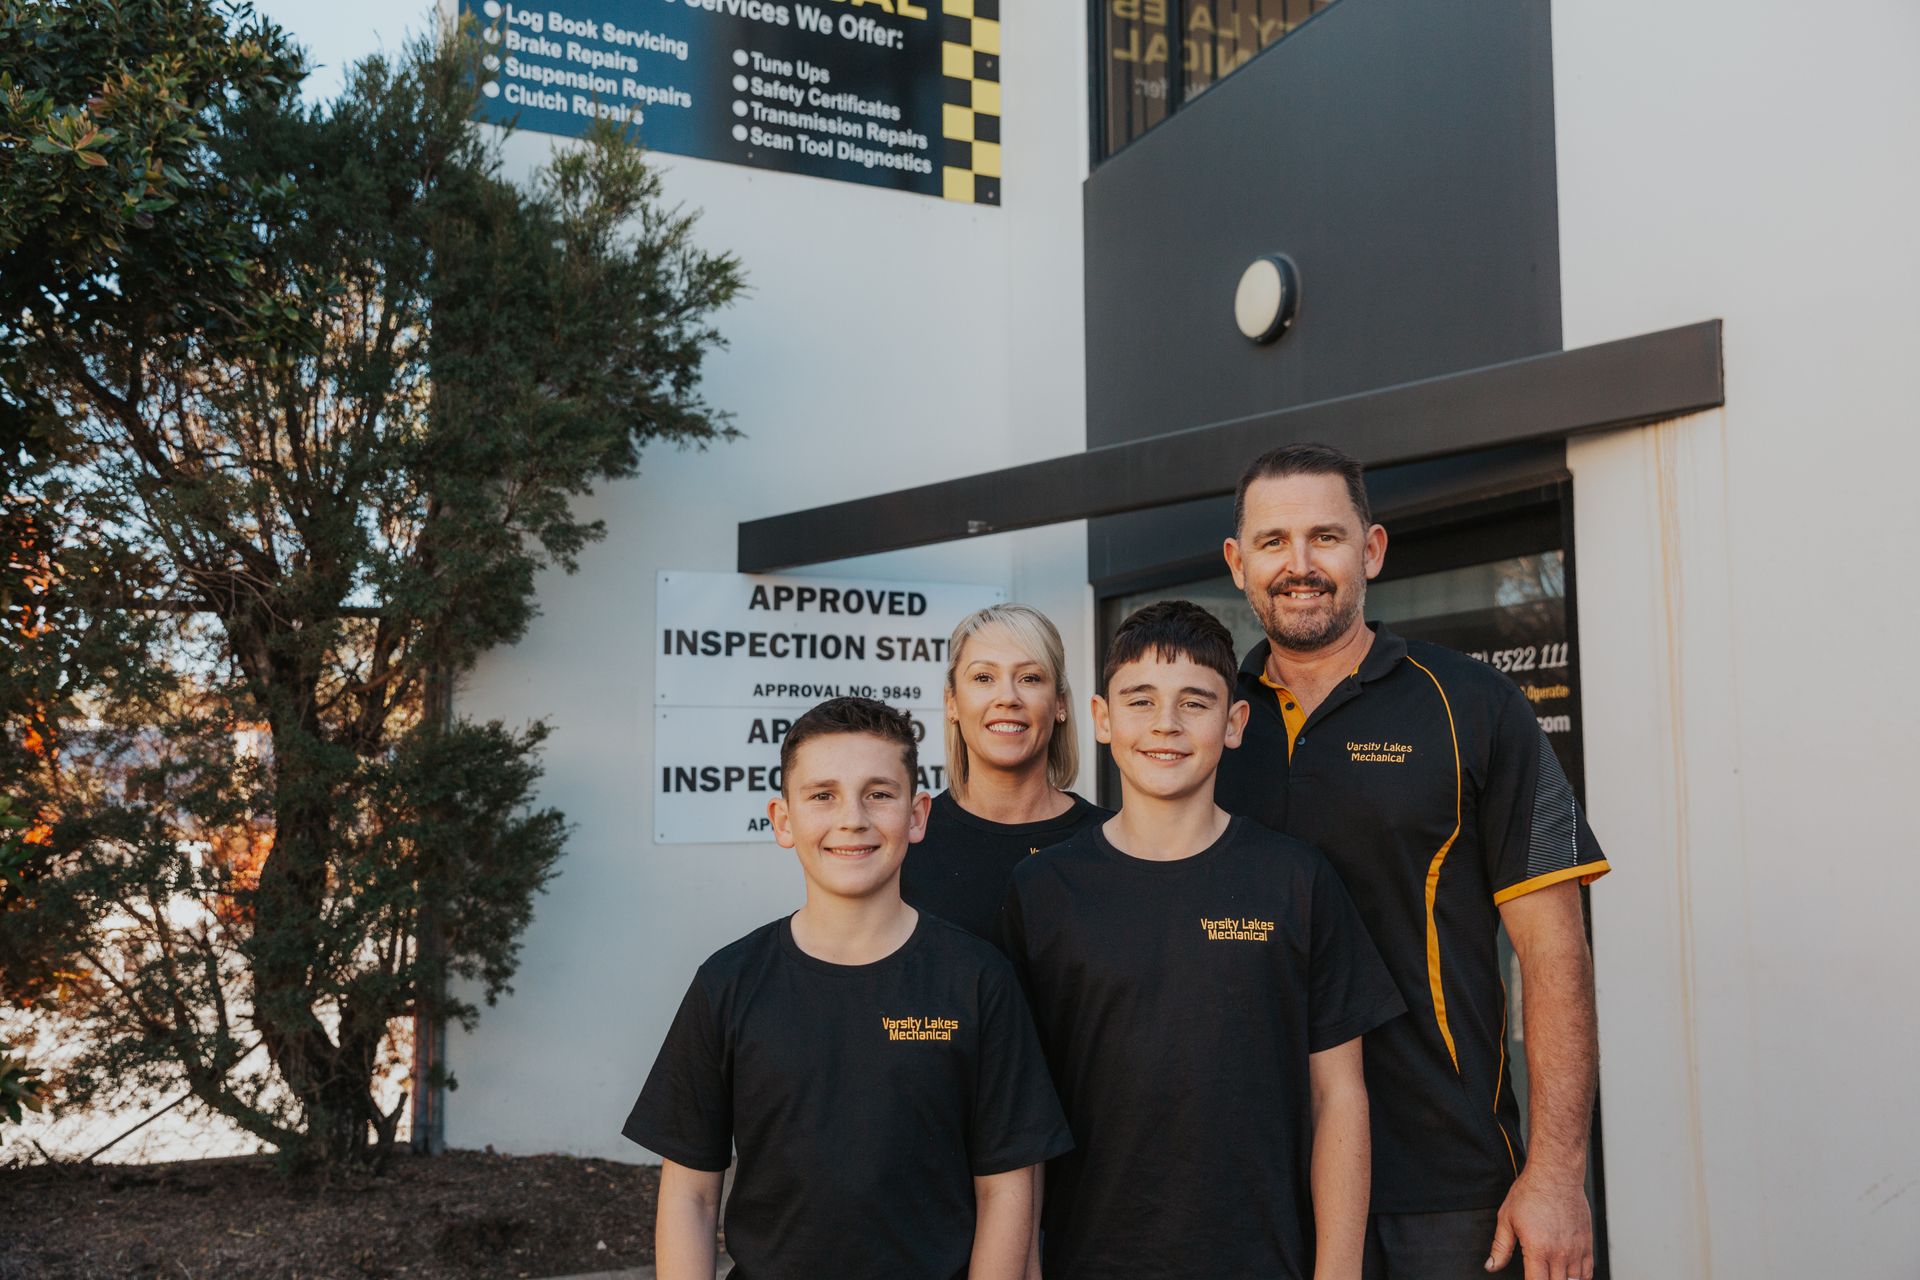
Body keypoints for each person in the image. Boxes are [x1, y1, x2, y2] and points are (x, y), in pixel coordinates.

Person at [1214, 443, 1613, 1280]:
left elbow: (1555, 953)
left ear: (1372, 550)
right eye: (1274, 541)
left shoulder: (1476, 704)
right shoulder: (1205, 728)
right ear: (1238, 562)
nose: (1299, 565)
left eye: (1325, 537)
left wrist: (1556, 1173)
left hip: (1445, 1183)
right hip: (1254, 1180)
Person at [996, 600, 1405, 1280]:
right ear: (1102, 719)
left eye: (1195, 701)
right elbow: (1017, 1114)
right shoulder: (1043, 891)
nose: (1166, 724)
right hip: (1089, 1260)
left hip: (1265, 1261)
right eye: (1141, 700)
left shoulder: (1295, 881)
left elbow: (1339, 1096)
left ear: (1234, 722)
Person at [624, 696, 1073, 1280]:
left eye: (879, 793)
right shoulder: (728, 984)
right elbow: (690, 1196)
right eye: (822, 795)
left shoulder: (979, 981)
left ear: (917, 816)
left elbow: (1007, 1192)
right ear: (783, 820)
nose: (852, 818)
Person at [901, 604, 1108, 939]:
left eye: (1030, 678)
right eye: (984, 678)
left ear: (1060, 704)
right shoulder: (907, 843)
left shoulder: (1111, 841)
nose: (1007, 697)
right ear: (952, 702)